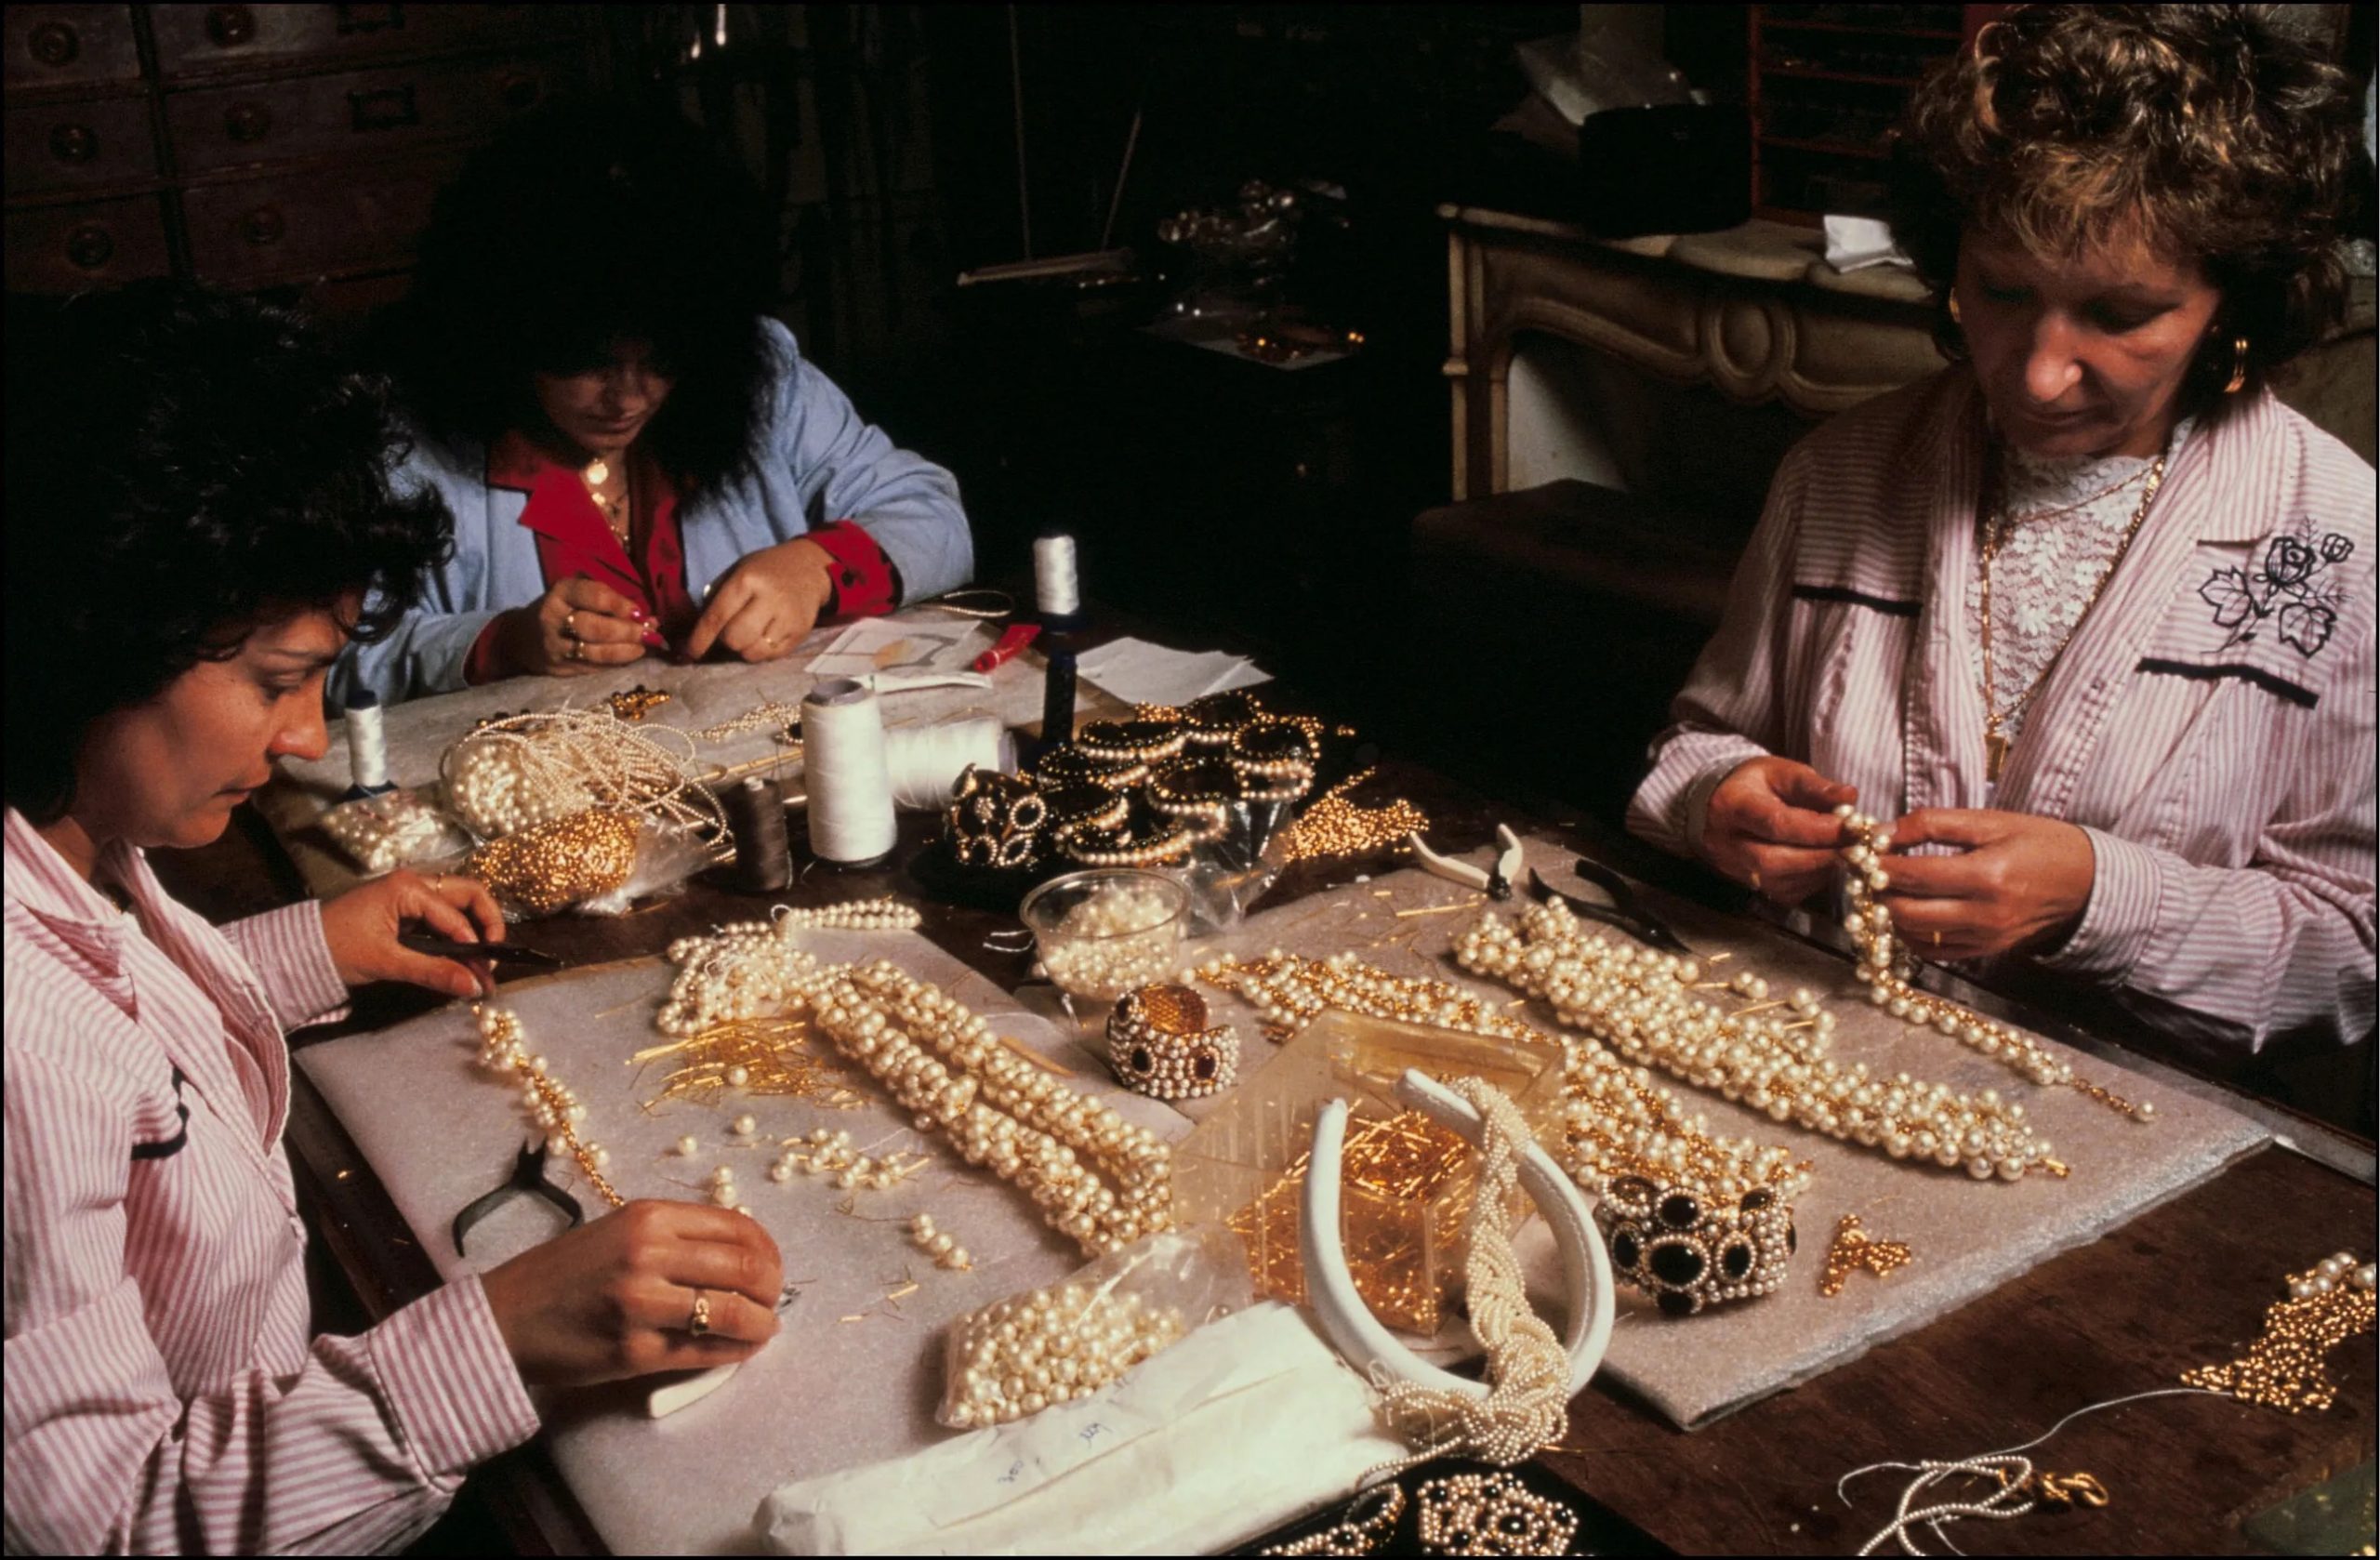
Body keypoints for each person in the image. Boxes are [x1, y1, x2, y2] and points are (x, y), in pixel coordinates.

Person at [4, 283, 785, 1553]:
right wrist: (497, 1336)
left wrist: (305, 946)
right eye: (277, 682)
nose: (309, 734)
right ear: (95, 637)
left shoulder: (74, 837)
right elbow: (112, 1525)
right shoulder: (19, 1053)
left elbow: (128, 1042)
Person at [1628, 6, 2374, 1057]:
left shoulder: (2340, 538)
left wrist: (2097, 899)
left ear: (2233, 300)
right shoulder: (1837, 474)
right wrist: (1717, 800)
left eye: (2120, 315)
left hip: (2135, 1123)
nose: (2035, 371)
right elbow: (1697, 743)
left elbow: (2351, 948)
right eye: (2003, 290)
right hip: (1810, 1057)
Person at [335, 96, 973, 706]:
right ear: (508, 333)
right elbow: (330, 660)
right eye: (590, 362)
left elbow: (935, 519)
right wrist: (501, 642)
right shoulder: (407, 441)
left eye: (663, 358)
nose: (629, 398)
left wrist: (816, 569)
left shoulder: (760, 373)